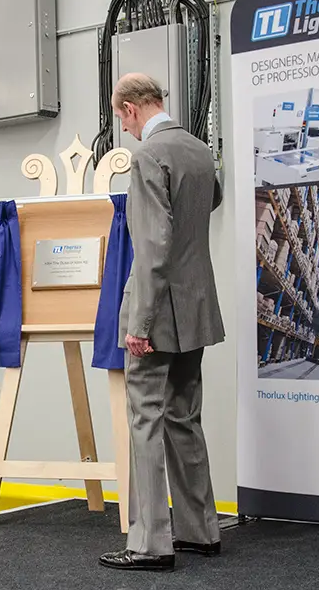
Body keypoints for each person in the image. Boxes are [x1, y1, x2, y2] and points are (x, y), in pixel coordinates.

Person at [99, 73, 225, 571]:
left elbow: (153, 245)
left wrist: (140, 322)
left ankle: (150, 543)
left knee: (145, 419)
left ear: (131, 109)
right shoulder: (200, 151)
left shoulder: (148, 156)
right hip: (196, 305)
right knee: (184, 417)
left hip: (158, 308)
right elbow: (210, 202)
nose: (125, 129)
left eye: (122, 119)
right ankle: (201, 531)